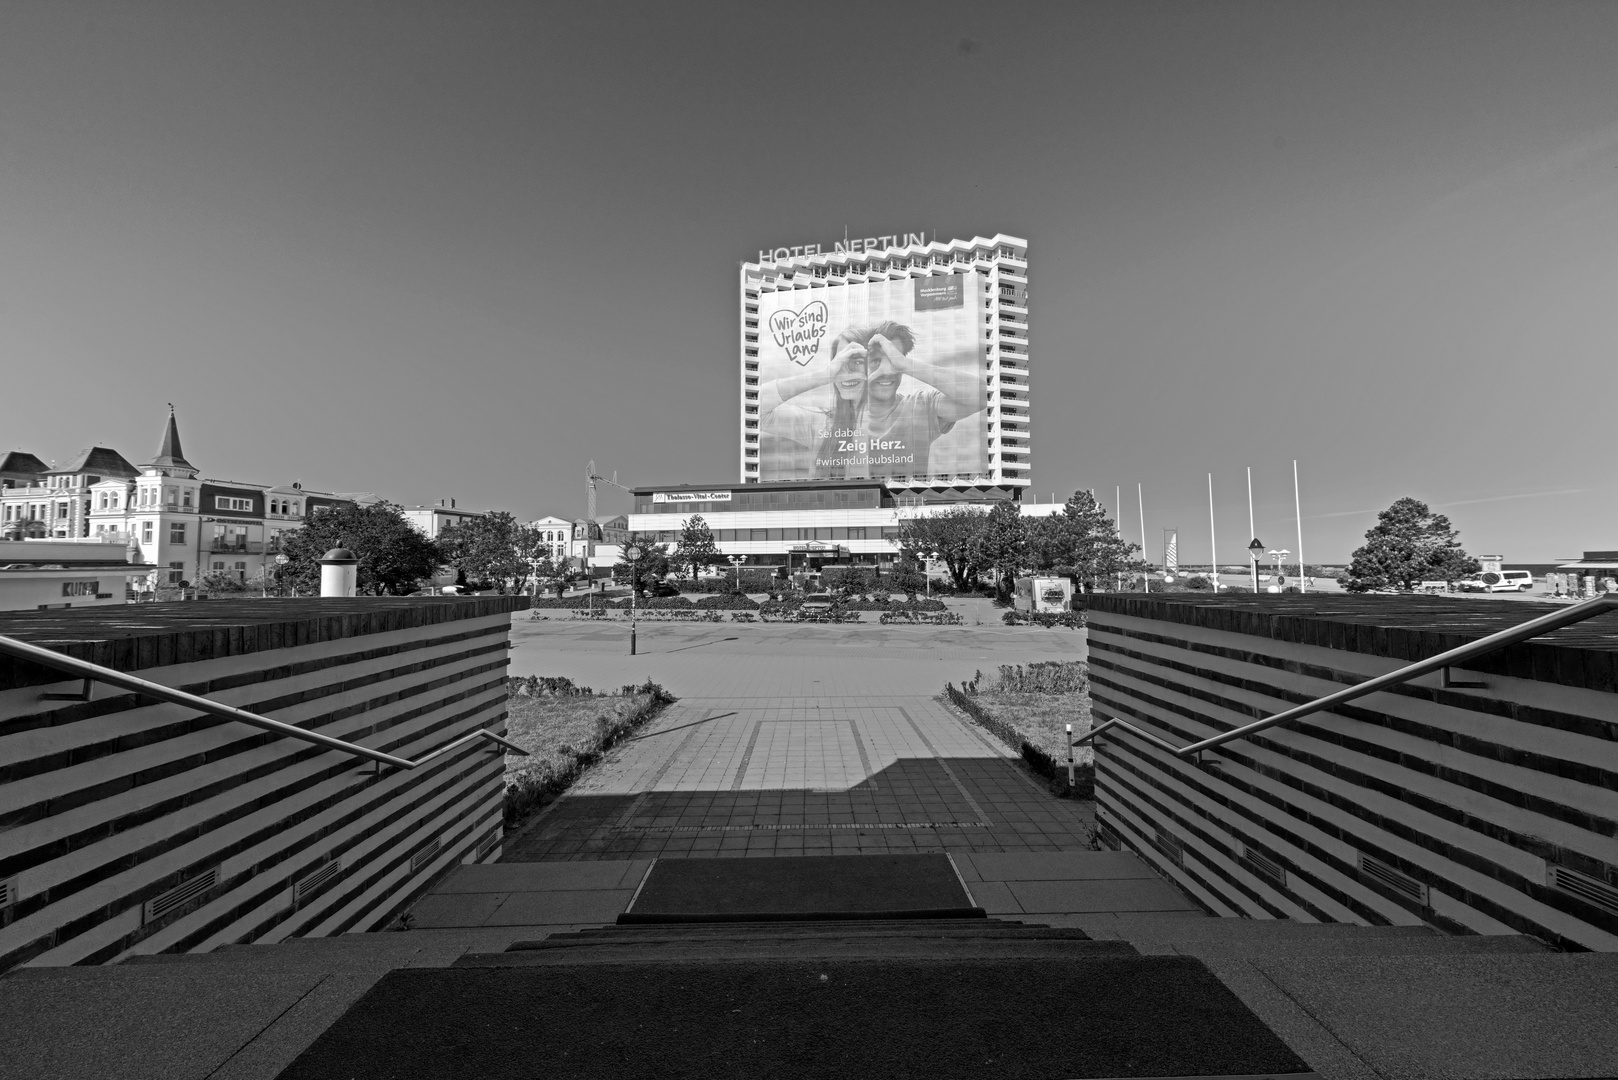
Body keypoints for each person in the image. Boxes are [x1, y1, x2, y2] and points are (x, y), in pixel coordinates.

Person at [854, 323, 984, 478]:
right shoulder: (839, 418)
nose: (887, 371)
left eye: (894, 359)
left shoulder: (920, 406)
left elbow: (982, 395)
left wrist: (904, 364)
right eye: (876, 361)